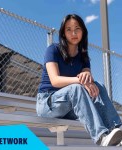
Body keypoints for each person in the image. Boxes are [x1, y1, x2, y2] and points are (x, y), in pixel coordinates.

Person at [36, 14, 122, 146]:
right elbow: (55, 81)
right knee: (76, 88)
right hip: (48, 103)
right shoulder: (53, 50)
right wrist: (79, 80)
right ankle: (101, 137)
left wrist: (87, 78)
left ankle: (117, 129)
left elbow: (86, 76)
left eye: (77, 28)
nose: (74, 33)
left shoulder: (83, 57)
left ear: (83, 31)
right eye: (69, 29)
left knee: (98, 85)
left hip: (69, 108)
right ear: (63, 33)